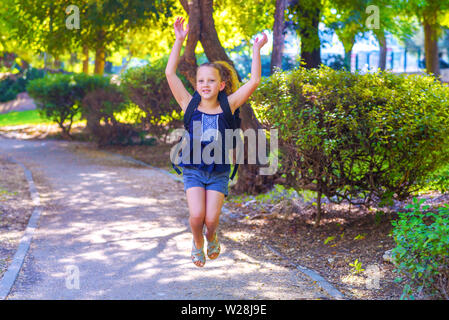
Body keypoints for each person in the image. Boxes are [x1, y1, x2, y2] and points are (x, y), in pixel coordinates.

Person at [165, 16, 268, 267]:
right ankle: (197, 243)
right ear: (196, 85)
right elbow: (170, 73)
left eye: (211, 80)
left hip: (219, 172)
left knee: (211, 220)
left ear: (221, 85)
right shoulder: (188, 103)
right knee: (196, 216)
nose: (205, 85)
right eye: (201, 81)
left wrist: (256, 50)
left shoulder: (228, 104)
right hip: (193, 170)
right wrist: (179, 40)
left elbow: (254, 81)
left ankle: (211, 238)